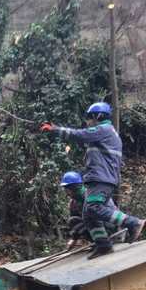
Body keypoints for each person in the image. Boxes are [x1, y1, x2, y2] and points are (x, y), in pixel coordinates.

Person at [41, 102, 145, 259]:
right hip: (102, 177)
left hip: (102, 178)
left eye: (89, 117)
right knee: (88, 213)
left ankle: (133, 223)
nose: (87, 121)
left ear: (98, 116)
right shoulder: (106, 134)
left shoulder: (104, 129)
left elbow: (81, 135)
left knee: (94, 208)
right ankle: (103, 245)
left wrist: (56, 129)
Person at [59, 171, 120, 250]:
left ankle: (103, 241)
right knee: (73, 220)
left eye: (67, 189)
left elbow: (111, 212)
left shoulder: (92, 195)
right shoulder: (73, 203)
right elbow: (76, 223)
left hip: (109, 224)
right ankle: (97, 240)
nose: (66, 192)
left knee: (91, 214)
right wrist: (73, 239)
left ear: (74, 188)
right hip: (96, 226)